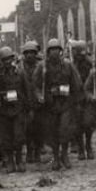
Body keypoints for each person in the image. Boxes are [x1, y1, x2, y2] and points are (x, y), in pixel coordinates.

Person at [34, 39, 82, 171]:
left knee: (65, 130)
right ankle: (56, 156)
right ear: (48, 52)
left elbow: (76, 83)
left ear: (60, 51)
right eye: (51, 50)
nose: (54, 52)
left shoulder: (68, 65)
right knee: (52, 131)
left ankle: (64, 154)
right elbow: (36, 86)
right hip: (50, 104)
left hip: (66, 103)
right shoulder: (42, 67)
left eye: (57, 49)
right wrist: (40, 96)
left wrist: (76, 100)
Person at [0, 46, 32, 172]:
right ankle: (10, 162)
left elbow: (27, 90)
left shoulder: (20, 72)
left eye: (9, 59)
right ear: (1, 61)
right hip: (3, 110)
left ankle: (19, 160)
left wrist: (28, 108)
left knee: (19, 136)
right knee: (6, 138)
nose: (8, 62)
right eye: (5, 59)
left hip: (18, 109)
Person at [71, 40, 95, 160]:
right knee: (77, 124)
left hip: (87, 97)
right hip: (76, 97)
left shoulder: (89, 64)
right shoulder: (72, 64)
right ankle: (81, 148)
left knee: (88, 123)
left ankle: (88, 146)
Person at [20, 41, 43, 163]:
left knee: (39, 128)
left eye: (32, 53)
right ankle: (29, 151)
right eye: (27, 53)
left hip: (38, 102)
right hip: (25, 102)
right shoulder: (20, 67)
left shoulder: (41, 66)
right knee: (27, 129)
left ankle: (38, 151)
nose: (29, 55)